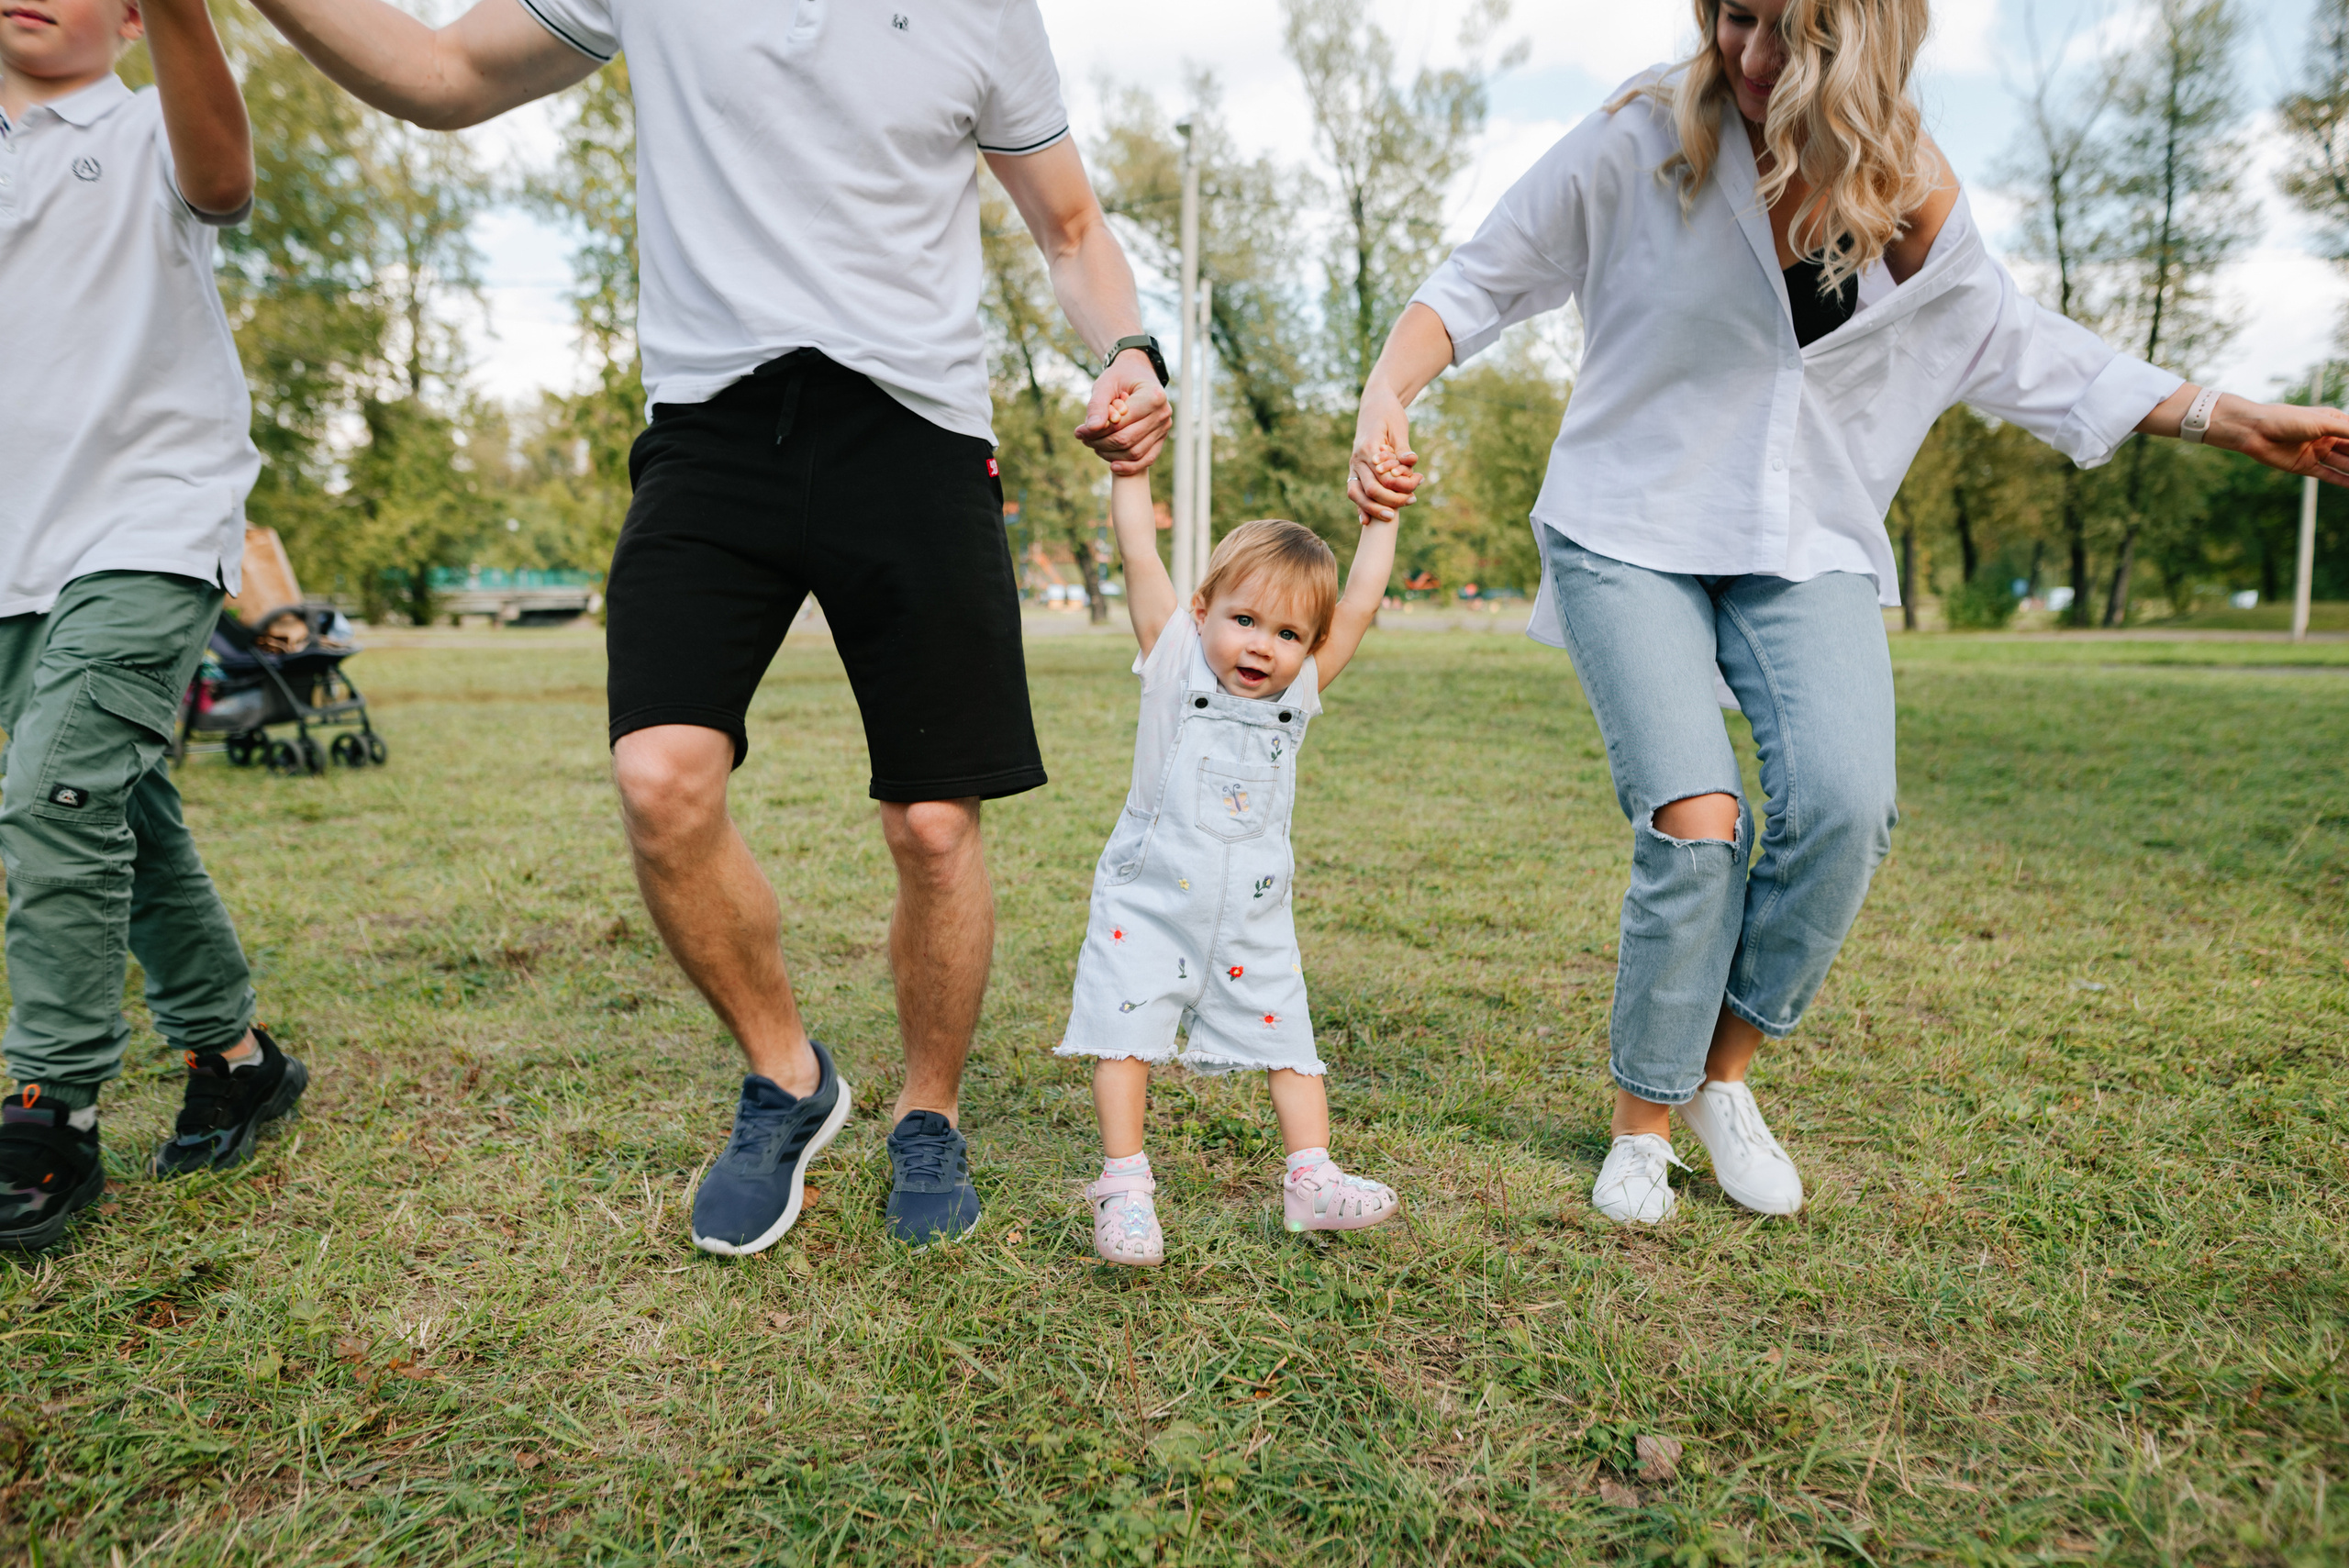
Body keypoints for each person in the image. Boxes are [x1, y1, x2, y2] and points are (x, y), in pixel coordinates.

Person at [1349, 0, 2349, 1226]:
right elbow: (1480, 278)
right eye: (1735, 19)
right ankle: (1643, 1124)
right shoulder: (1640, 139)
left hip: (1802, 532)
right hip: (1629, 521)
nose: (1752, 59)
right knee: (1699, 821)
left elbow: (2021, 348)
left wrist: (2233, 417)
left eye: (1791, 35)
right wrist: (1387, 394)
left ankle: (1724, 1079)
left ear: (1864, 42)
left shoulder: (1914, 197)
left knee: (1844, 806)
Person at [247, 0, 1172, 1252]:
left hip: (919, 431)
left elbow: (1069, 226)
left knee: (938, 820)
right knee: (660, 778)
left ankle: (929, 1113)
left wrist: (1126, 347)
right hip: (714, 427)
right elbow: (447, 72)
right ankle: (788, 1077)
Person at [0, 0, 309, 1251]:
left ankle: (48, 1107)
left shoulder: (143, 128)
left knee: (52, 791)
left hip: (147, 526)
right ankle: (236, 1054)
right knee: (115, 804)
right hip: (16, 550)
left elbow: (226, 180)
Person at [1055, 439, 1403, 1266]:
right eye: (1243, 620)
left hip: (1253, 914)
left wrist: (1381, 520)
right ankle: (1125, 1186)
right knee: (1123, 1032)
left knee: (1290, 1040)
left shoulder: (1298, 693)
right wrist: (1130, 475)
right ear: (1202, 609)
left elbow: (1356, 605)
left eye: (1287, 633)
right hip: (1149, 904)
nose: (1260, 646)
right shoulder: (1173, 659)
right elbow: (1140, 552)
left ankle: (1310, 1178)